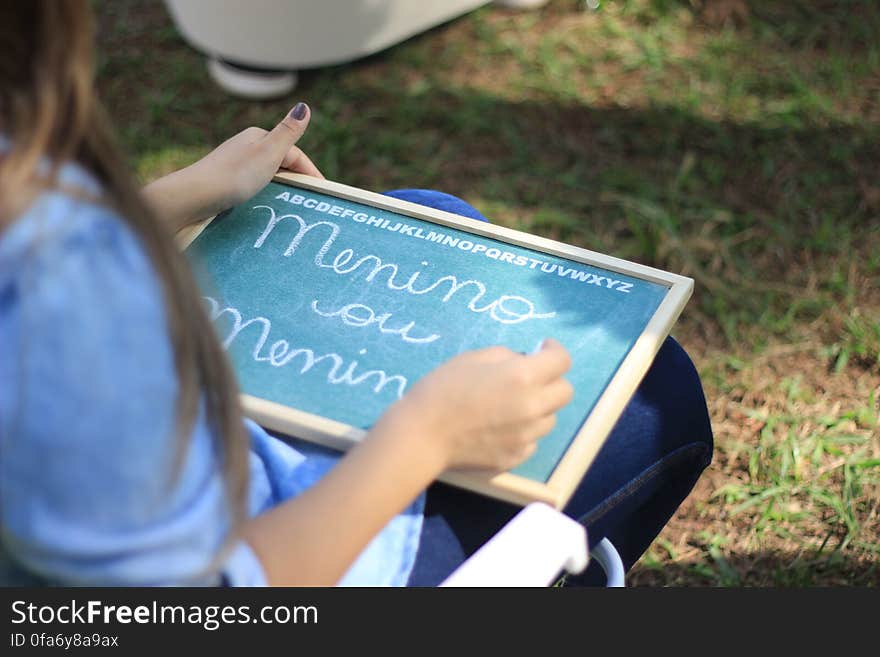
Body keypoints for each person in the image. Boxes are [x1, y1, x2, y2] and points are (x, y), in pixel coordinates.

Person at [0, 1, 712, 587]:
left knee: (425, 213)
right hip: (291, 543)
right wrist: (426, 434)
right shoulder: (54, 325)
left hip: (193, 446)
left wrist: (173, 200)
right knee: (659, 391)